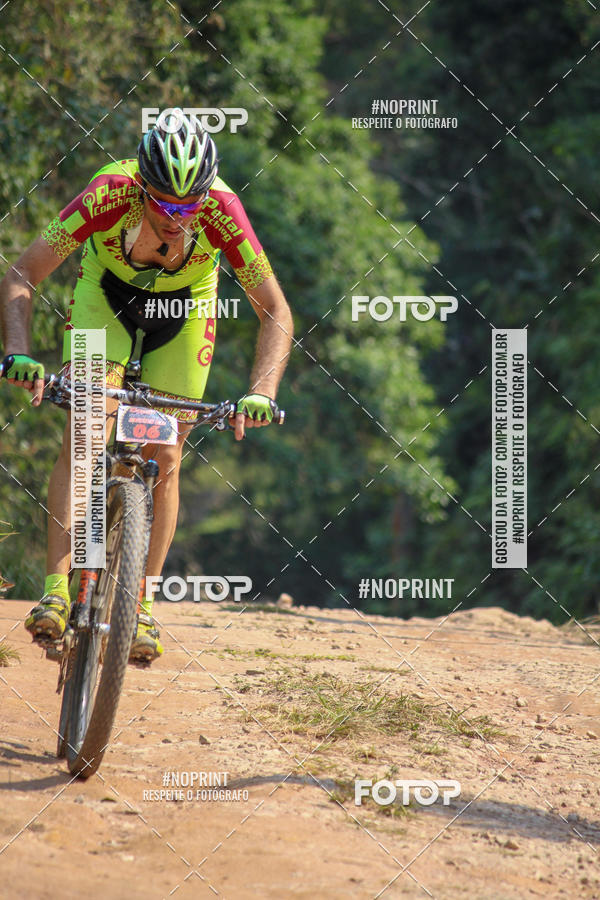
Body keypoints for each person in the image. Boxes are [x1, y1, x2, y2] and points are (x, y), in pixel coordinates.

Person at [0, 108, 293, 662]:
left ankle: (143, 608)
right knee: (85, 430)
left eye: (190, 206)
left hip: (184, 314)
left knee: (166, 450)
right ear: (141, 187)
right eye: (164, 203)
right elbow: (21, 274)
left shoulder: (224, 211)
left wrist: (263, 390)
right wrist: (18, 352)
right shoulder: (108, 193)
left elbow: (275, 311)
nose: (178, 217)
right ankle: (57, 591)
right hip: (103, 301)